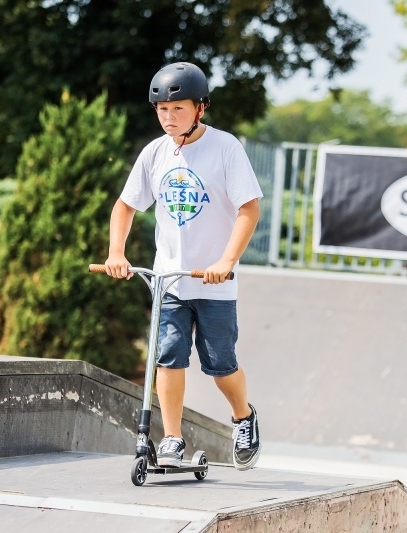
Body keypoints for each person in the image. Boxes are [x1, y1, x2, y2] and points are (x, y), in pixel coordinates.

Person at [104, 62, 263, 470]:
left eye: (178, 109)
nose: (169, 117)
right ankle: (172, 438)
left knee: (220, 365)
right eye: (162, 109)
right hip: (170, 281)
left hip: (214, 283)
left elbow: (249, 209)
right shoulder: (155, 153)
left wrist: (226, 260)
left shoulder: (225, 148)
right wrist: (116, 252)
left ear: (200, 109)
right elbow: (125, 206)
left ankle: (243, 416)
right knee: (168, 358)